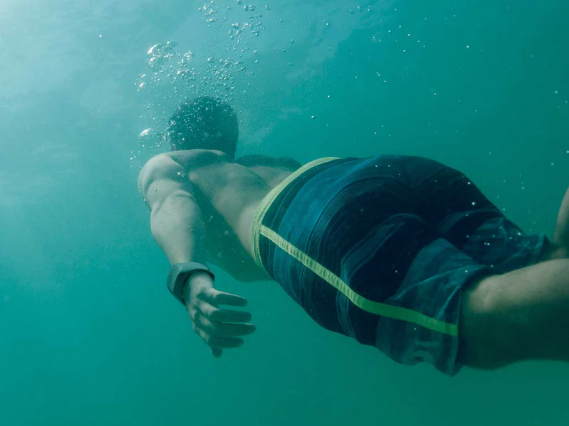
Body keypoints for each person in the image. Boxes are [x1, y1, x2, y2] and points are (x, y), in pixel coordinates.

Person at [138, 96, 569, 375]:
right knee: (547, 261)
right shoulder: (266, 162)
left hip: (304, 217)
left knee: (484, 320)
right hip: (374, 171)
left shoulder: (171, 163)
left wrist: (189, 274)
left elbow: (168, 204)